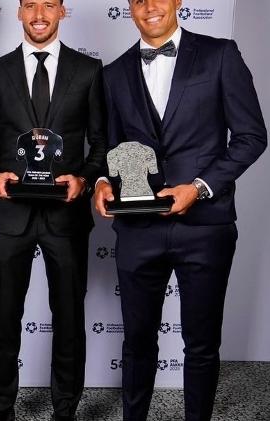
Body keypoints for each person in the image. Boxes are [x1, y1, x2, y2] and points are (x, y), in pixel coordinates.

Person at [93, 0, 267, 420]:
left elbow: (251, 136)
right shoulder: (114, 73)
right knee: (136, 341)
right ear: (130, 8)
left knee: (202, 343)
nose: (149, 6)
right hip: (138, 227)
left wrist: (199, 187)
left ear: (177, 3)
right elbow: (108, 147)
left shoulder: (219, 54)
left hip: (205, 226)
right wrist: (101, 181)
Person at [0, 1, 106, 420]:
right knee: (3, 319)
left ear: (62, 12)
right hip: (10, 213)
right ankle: (1, 409)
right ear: (19, 13)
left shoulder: (88, 71)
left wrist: (85, 178)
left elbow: (101, 144)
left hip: (65, 217)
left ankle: (64, 409)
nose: (39, 13)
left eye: (48, 4)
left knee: (69, 318)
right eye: (30, 4)